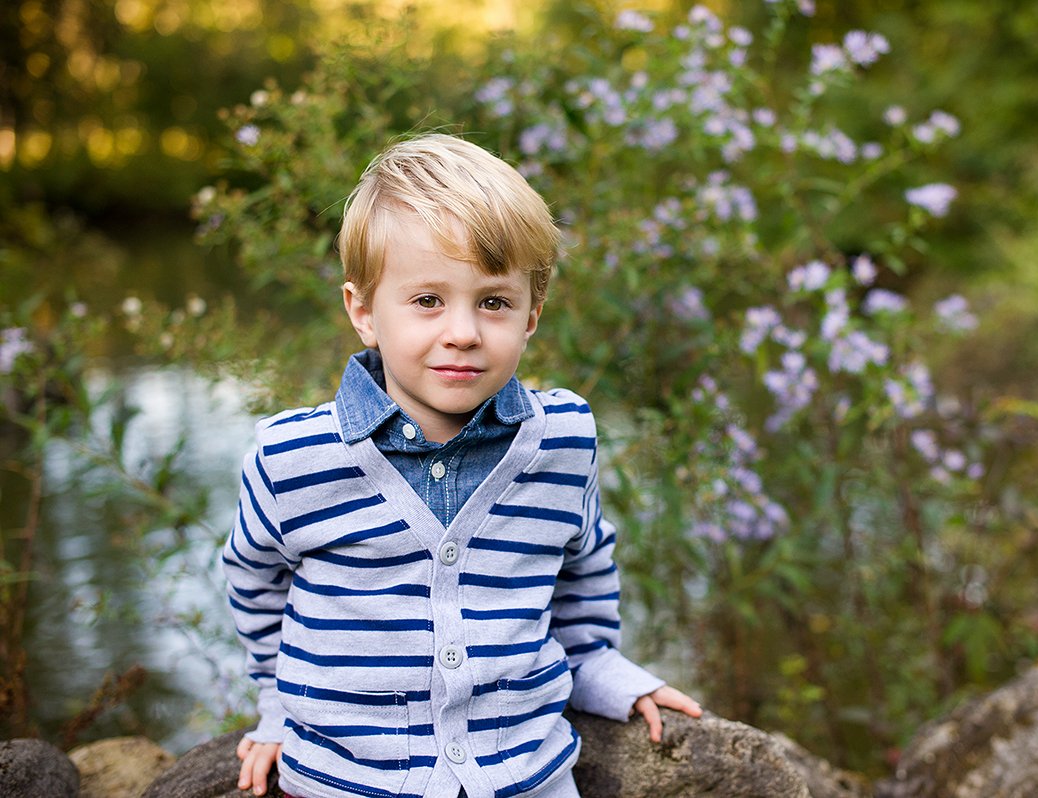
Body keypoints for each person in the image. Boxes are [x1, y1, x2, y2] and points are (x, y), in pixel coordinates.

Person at [223, 133, 702, 798]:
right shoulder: (292, 456)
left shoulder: (564, 439)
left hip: (526, 780)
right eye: (427, 301)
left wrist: (600, 668)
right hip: (347, 783)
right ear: (363, 311)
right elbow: (254, 585)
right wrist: (277, 706)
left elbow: (582, 569)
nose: (463, 331)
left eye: (494, 302)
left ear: (532, 314)